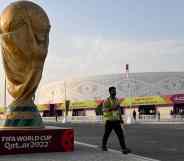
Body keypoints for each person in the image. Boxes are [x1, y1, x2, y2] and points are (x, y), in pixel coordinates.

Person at [102, 86, 131, 154]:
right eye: (113, 91)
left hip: (116, 121)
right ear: (110, 92)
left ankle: (124, 149)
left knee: (120, 135)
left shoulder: (117, 100)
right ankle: (103, 146)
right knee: (106, 134)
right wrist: (111, 109)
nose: (114, 92)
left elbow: (119, 110)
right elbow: (103, 110)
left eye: (115, 91)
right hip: (109, 121)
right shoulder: (107, 100)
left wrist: (121, 119)